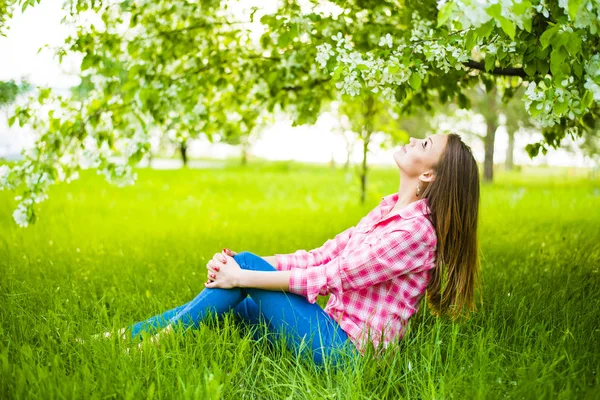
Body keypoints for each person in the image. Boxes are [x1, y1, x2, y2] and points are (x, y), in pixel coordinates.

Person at [96, 132, 481, 369]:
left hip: (348, 355)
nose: (415, 139)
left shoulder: (416, 232)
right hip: (326, 331)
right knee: (236, 300)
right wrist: (240, 270)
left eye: (425, 144)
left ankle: (144, 351)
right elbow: (322, 255)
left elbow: (335, 276)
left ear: (429, 174)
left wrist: (246, 272)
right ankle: (120, 338)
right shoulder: (388, 208)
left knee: (243, 273)